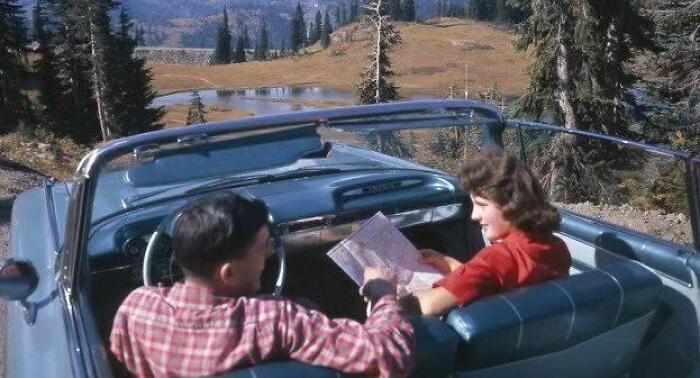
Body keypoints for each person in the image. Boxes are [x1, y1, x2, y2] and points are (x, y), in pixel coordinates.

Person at [110, 193, 415, 378]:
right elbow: (390, 356)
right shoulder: (274, 320)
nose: (271, 252)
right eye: (263, 247)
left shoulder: (136, 307)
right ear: (228, 273)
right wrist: (382, 293)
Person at [403, 149, 571, 316]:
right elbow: (498, 279)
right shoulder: (557, 247)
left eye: (482, 205)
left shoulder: (498, 257)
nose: (474, 215)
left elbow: (427, 305)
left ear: (511, 203)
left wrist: (383, 291)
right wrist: (450, 264)